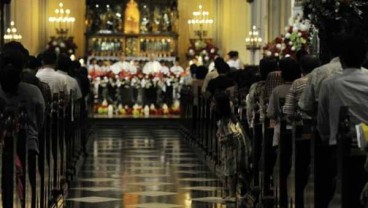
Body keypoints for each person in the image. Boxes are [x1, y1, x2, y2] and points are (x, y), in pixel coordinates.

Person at [0, 43, 45, 208]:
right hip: (29, 146)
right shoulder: (34, 92)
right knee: (28, 188)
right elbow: (41, 119)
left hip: (2, 149)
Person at [318, 35, 368, 145]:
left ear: (340, 59)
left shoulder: (329, 84)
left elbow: (322, 123)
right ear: (365, 58)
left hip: (341, 148)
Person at [213, 92, 251, 201]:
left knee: (232, 170)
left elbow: (233, 135)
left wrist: (222, 138)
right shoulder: (223, 118)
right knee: (229, 170)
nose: (211, 104)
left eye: (214, 102)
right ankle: (231, 192)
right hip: (229, 148)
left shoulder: (228, 119)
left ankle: (233, 193)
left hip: (233, 148)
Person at [299, 35, 343, 115]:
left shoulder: (319, 72)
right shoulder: (365, 74)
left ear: (329, 52)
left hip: (324, 123)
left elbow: (305, 105)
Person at [267, 57, 301, 146]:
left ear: (282, 75)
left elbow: (270, 113)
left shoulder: (277, 90)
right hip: (301, 129)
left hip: (282, 130)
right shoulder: (302, 87)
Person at [283, 55, 321, 121]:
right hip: (322, 122)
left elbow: (289, 111)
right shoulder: (325, 81)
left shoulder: (298, 83)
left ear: (301, 68)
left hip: (304, 124)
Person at [246, 57, 278, 128]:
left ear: (260, 71)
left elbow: (250, 113)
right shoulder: (280, 86)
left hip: (259, 124)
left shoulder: (255, 87)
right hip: (279, 125)